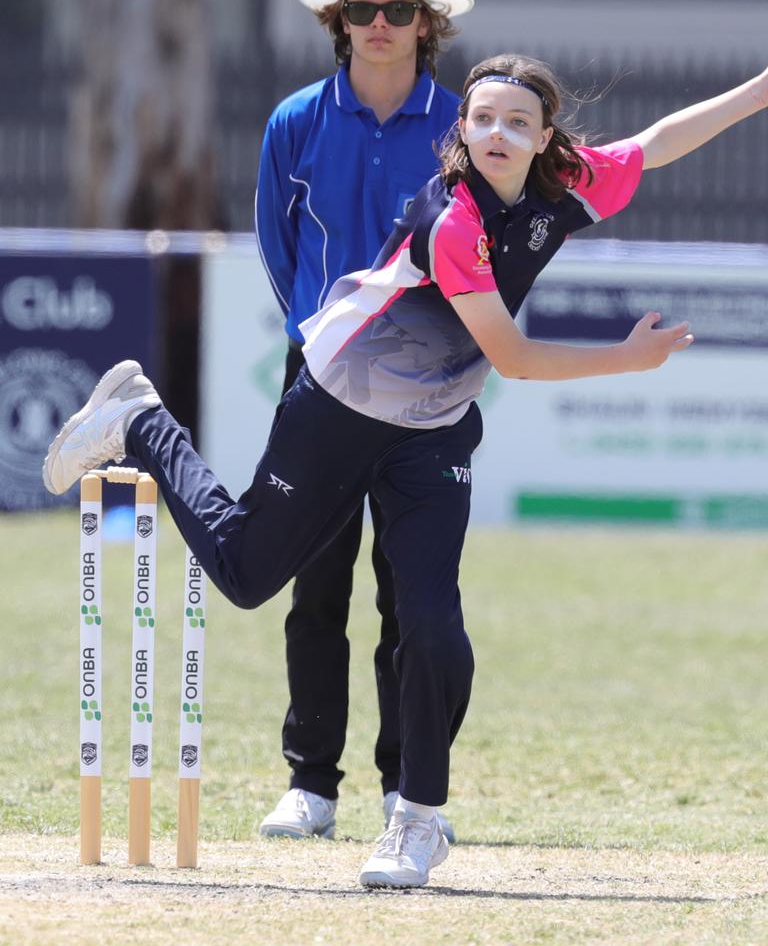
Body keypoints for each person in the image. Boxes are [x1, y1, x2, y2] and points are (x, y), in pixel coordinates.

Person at [44, 53, 768, 889]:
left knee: (431, 624)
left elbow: (657, 140)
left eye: (518, 123)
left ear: (545, 141)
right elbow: (515, 359)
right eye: (483, 118)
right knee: (245, 576)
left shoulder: (564, 183)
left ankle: (416, 819)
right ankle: (139, 418)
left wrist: (755, 93)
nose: (499, 133)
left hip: (432, 432)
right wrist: (627, 360)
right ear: (460, 128)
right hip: (340, 400)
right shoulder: (451, 223)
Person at [254, 0, 472, 842]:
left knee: (411, 594)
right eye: (360, 11)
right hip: (325, 377)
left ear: (428, 25)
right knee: (315, 587)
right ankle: (311, 783)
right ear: (337, 22)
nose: (378, 26)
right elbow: (276, 243)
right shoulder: (296, 119)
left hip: (424, 388)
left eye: (397, 12)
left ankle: (402, 787)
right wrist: (316, 342)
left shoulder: (468, 122)